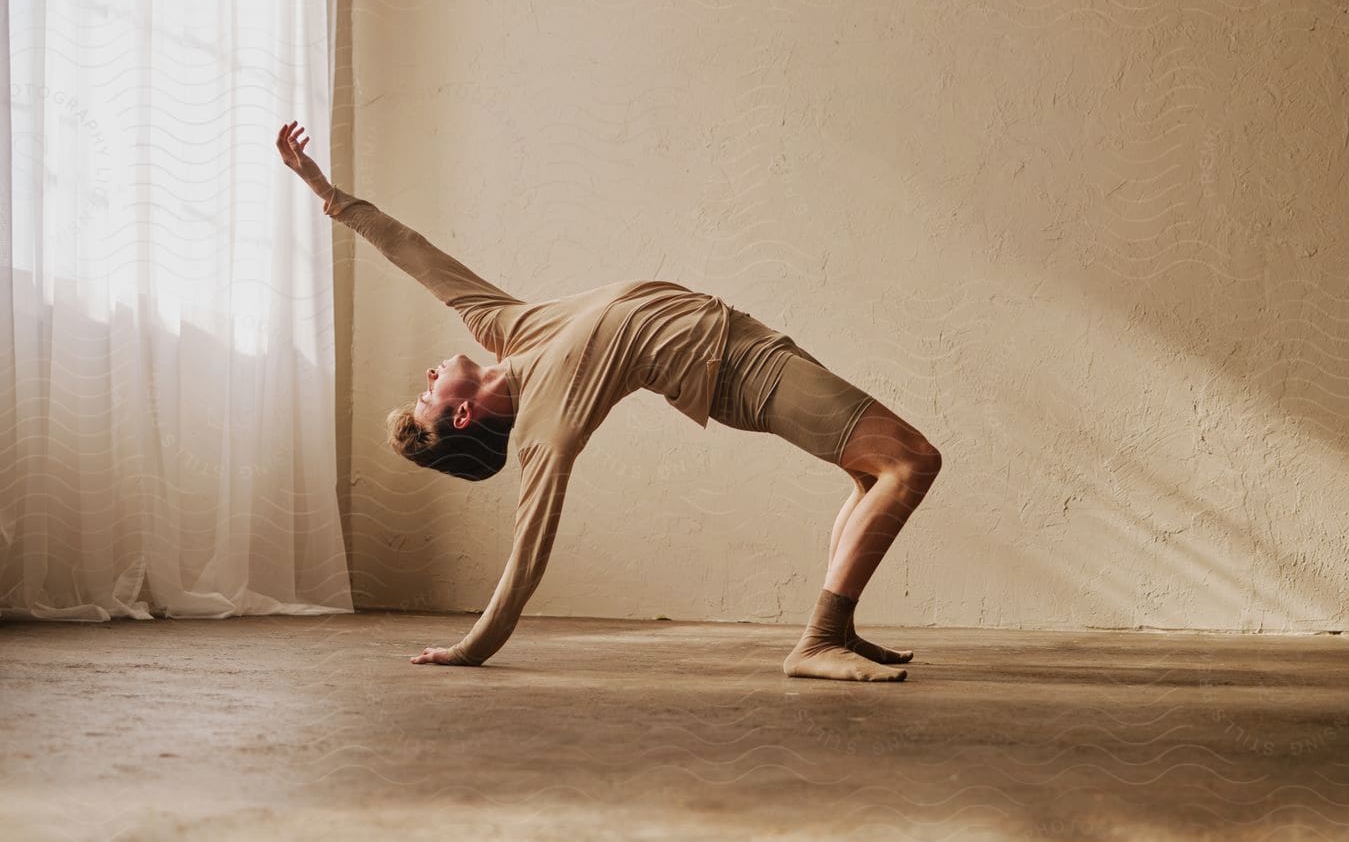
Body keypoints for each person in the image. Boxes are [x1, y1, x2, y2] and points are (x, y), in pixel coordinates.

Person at [276, 121, 942, 682]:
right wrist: (470, 648)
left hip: (746, 336)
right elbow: (525, 557)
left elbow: (417, 255)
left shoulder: (508, 326)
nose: (427, 373)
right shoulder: (544, 427)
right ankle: (818, 641)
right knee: (910, 461)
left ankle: (838, 630)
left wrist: (326, 192)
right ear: (460, 414)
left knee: (868, 473)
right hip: (739, 372)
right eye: (425, 394)